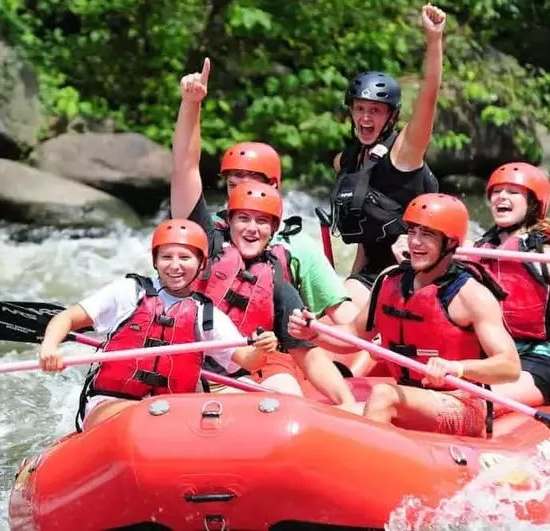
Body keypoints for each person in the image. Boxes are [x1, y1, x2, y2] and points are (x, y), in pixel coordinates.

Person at [290, 193, 522, 437]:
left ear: (450, 243)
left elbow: (509, 367)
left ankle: (361, 466)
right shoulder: (390, 280)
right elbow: (353, 334)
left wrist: (457, 368)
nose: (415, 243)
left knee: (383, 394)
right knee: (336, 416)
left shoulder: (471, 295)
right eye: (412, 232)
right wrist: (313, 332)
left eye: (427, 235)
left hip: (461, 403)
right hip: (412, 396)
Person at [38, 219, 278, 431]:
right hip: (112, 402)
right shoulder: (129, 292)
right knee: (139, 423)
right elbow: (66, 318)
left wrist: (261, 348)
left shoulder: (206, 315)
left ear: (201, 264)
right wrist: (50, 346)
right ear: (155, 261)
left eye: (185, 258)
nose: (175, 266)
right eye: (166, 257)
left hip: (174, 410)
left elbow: (247, 359)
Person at [170, 57, 358, 326]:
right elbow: (184, 168)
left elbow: (344, 316)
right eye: (234, 185)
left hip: (267, 356)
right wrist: (191, 104)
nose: (242, 194)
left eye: (251, 184)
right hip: (204, 351)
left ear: (274, 188)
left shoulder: (297, 247)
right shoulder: (209, 232)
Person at [190, 180, 357, 408]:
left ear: (273, 230)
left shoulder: (277, 282)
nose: (252, 228)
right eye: (243, 219)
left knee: (291, 402)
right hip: (192, 366)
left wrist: (346, 401)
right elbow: (184, 179)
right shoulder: (205, 249)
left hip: (246, 370)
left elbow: (308, 355)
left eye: (262, 221)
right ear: (228, 221)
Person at [330, 3, 446, 311]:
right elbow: (367, 240)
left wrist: (434, 41)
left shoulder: (405, 152)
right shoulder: (347, 162)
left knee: (352, 315)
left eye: (375, 111)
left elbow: (429, 96)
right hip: (371, 275)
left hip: (416, 273)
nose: (366, 118)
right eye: (360, 109)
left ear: (391, 117)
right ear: (351, 112)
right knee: (336, 310)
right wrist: (349, 280)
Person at [471, 162, 550, 408]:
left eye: (513, 192)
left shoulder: (548, 258)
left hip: (535, 358)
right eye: (497, 191)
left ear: (532, 203)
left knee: (474, 400)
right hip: (489, 354)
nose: (501, 197)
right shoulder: (476, 250)